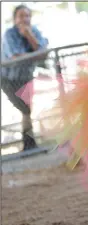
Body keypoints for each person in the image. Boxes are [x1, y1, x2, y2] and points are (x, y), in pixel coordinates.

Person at [1, 4, 49, 151]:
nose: (25, 19)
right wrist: (35, 55)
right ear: (15, 19)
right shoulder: (10, 34)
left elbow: (44, 54)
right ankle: (29, 143)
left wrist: (29, 36)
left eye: (27, 15)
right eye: (21, 16)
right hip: (8, 78)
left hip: (26, 77)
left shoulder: (34, 32)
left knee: (27, 110)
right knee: (25, 110)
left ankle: (29, 144)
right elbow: (15, 58)